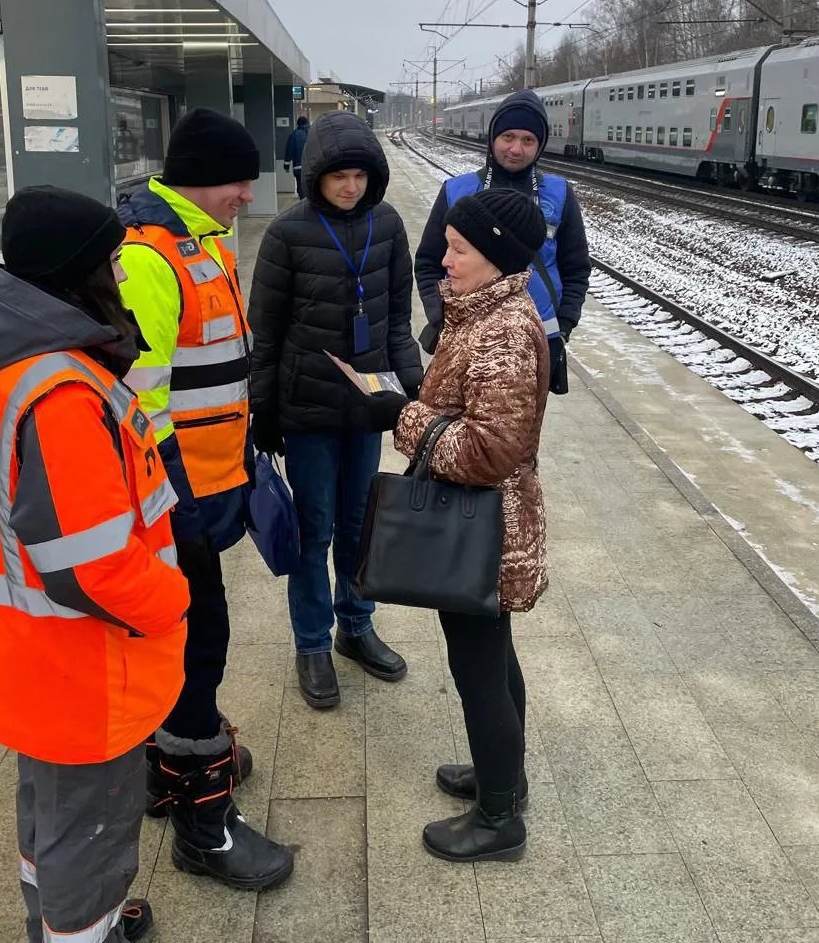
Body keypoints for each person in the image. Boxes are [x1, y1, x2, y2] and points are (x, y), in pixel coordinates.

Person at [0, 186, 190, 943]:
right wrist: (173, 599)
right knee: (90, 842)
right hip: (87, 673)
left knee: (49, 824)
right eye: (111, 262)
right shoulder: (61, 392)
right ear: (74, 274)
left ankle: (51, 920)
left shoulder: (16, 363)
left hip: (35, 661)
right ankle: (83, 929)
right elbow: (92, 569)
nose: (122, 276)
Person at [117, 107, 294, 891]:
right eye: (237, 182)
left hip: (210, 484)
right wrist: (174, 502)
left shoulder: (200, 245)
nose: (246, 198)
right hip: (175, 499)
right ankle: (203, 823)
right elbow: (136, 402)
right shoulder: (151, 260)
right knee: (198, 645)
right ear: (200, 179)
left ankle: (169, 767)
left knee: (190, 640)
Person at [362, 187, 550, 864]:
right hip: (485, 525)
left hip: (480, 530)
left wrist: (401, 417)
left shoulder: (502, 332)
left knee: (478, 669)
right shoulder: (484, 311)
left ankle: (499, 819)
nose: (445, 257)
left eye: (459, 248)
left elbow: (489, 453)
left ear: (495, 257)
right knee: (493, 656)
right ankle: (506, 775)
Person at [248, 110, 423, 709]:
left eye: (359, 176)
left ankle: (357, 624)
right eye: (338, 176)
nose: (350, 187)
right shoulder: (287, 234)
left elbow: (399, 323)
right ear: (317, 176)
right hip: (307, 411)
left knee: (359, 524)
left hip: (367, 408)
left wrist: (419, 393)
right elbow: (265, 334)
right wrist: (262, 409)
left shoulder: (390, 225)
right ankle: (312, 643)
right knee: (313, 529)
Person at [414, 90, 590, 385]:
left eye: (528, 140)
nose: (516, 149)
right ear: (493, 137)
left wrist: (566, 321)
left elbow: (576, 266)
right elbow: (427, 262)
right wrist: (439, 315)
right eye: (508, 137)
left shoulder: (559, 195)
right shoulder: (456, 191)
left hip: (537, 341)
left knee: (520, 425)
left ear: (540, 145)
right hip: (465, 340)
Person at [283, 114, 310, 196]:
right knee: (310, 186)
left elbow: (289, 151)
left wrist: (286, 165)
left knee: (301, 187)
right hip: (312, 166)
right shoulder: (313, 133)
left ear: (298, 124)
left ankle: (303, 203)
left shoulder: (294, 135)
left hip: (298, 167)